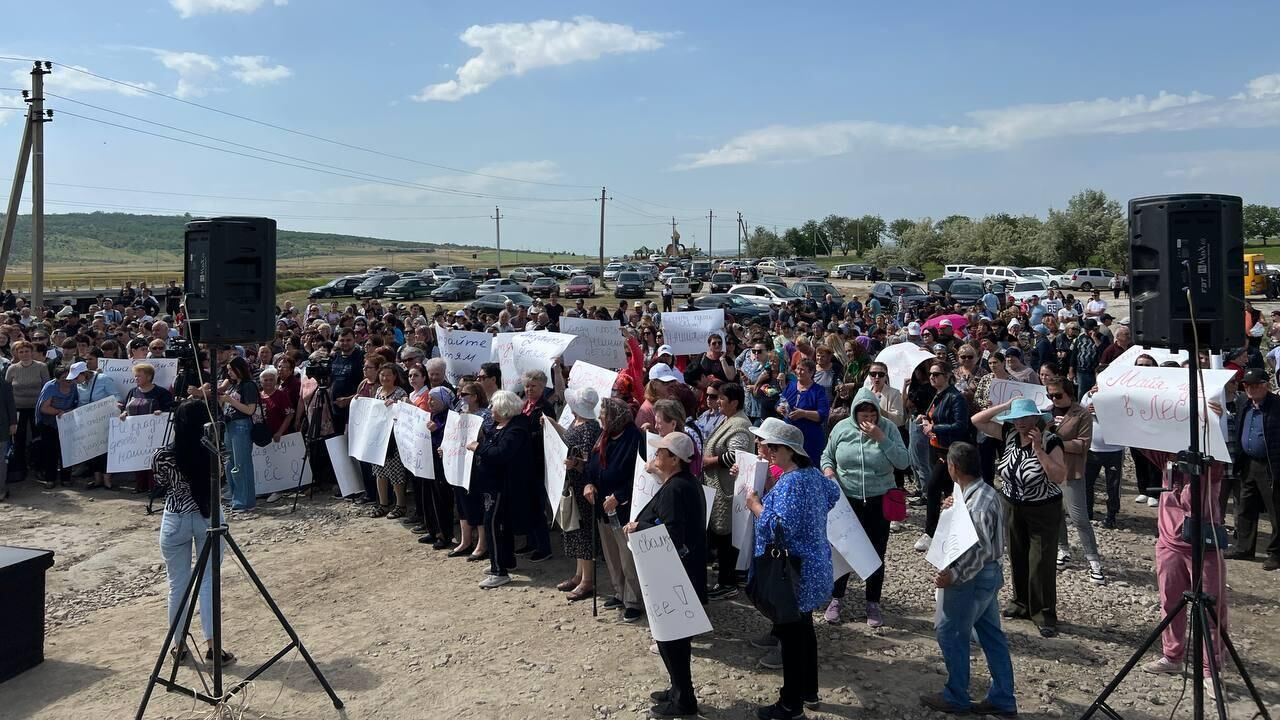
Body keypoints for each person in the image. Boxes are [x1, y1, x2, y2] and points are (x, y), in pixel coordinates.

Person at [743, 418, 841, 720]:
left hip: (792, 572)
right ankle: (808, 691)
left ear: (784, 450)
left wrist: (756, 505)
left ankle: (790, 703)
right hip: (813, 565)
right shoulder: (809, 475)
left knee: (791, 638)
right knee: (804, 631)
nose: (764, 450)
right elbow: (833, 495)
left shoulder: (792, 482)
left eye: (769, 446)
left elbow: (777, 526)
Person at [919, 442, 1017, 716]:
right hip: (989, 575)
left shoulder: (977, 505)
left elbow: (979, 550)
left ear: (954, 467)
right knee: (990, 634)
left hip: (972, 577)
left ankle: (956, 695)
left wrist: (954, 575)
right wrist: (953, 502)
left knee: (950, 632)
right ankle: (1003, 697)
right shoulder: (983, 492)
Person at [625, 432, 708, 718]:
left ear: (674, 459)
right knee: (671, 639)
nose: (655, 457)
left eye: (660, 453)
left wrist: (640, 529)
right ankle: (677, 689)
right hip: (677, 572)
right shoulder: (683, 483)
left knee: (672, 640)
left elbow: (673, 534)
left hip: (674, 574)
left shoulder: (676, 488)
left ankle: (684, 698)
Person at [972, 398, 1067, 638]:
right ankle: (1022, 603)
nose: (1021, 422)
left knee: (1041, 560)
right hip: (1013, 504)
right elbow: (977, 420)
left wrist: (1038, 451)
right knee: (1017, 553)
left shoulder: (1051, 440)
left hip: (1043, 508)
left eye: (1025, 417)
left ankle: (1044, 613)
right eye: (1017, 417)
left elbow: (1058, 476)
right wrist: (1006, 406)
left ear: (1036, 418)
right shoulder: (1010, 434)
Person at [153, 394, 235, 666]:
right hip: (207, 515)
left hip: (176, 516)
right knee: (209, 582)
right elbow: (221, 478)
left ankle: (179, 646)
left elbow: (160, 482)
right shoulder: (214, 452)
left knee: (177, 585)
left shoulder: (163, 454)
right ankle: (213, 645)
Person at [821, 388, 909, 627]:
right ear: (854, 412)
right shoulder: (841, 429)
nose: (868, 416)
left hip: (879, 498)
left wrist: (881, 437)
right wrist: (828, 471)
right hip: (847, 500)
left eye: (872, 411)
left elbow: (903, 461)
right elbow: (826, 456)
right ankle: (836, 599)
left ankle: (873, 603)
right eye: (863, 412)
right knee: (842, 549)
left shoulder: (888, 428)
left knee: (876, 552)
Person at [584, 397, 645, 621]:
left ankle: (633, 601)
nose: (600, 417)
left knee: (627, 556)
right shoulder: (605, 437)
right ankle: (619, 592)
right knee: (611, 554)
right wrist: (589, 484)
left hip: (624, 509)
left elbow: (639, 476)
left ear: (616, 417)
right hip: (602, 508)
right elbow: (592, 466)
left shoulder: (635, 439)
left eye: (604, 414)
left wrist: (619, 496)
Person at [1044, 378, 1104, 583]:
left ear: (1069, 393)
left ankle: (1094, 560)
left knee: (1079, 518)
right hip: (1049, 470)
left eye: (1058, 395)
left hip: (1071, 471)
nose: (1054, 399)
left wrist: (1057, 441)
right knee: (1055, 514)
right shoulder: (1046, 412)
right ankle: (1063, 550)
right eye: (1050, 395)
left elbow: (1082, 445)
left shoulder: (1082, 414)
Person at [470, 389, 530, 589]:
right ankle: (506, 561)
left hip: (502, 486)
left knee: (493, 525)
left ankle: (498, 571)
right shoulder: (498, 425)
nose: (490, 410)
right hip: (490, 484)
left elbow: (501, 453)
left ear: (504, 409)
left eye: (493, 407)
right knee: (500, 526)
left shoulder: (516, 430)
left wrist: (479, 448)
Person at [548, 387, 602, 602]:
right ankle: (580, 574)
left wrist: (576, 464)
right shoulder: (580, 422)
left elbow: (589, 460)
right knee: (574, 529)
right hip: (572, 482)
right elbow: (568, 439)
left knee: (582, 531)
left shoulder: (590, 428)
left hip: (582, 484)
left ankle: (587, 580)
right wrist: (552, 425)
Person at [701, 382, 753, 600]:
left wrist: (709, 461)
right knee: (721, 535)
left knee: (726, 536)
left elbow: (735, 454)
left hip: (727, 489)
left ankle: (728, 582)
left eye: (722, 399)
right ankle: (727, 576)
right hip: (720, 487)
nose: (718, 402)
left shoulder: (740, 424)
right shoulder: (730, 419)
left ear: (735, 402)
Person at [916, 361, 971, 553]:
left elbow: (961, 426)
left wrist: (934, 427)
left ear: (947, 376)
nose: (932, 377)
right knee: (949, 492)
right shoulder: (938, 395)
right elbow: (936, 417)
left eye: (937, 374)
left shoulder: (956, 398)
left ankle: (930, 533)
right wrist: (925, 418)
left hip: (950, 452)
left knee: (933, 488)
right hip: (937, 449)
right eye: (931, 374)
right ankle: (954, 531)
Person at [1230, 367, 1280, 570]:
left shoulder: (1276, 406)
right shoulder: (1243, 402)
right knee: (1245, 507)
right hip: (1248, 462)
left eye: (1255, 385)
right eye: (1247, 385)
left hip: (1271, 465)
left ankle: (1276, 554)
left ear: (1265, 385)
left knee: (1275, 510)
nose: (1250, 389)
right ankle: (1244, 547)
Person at [217, 356, 259, 512]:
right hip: (229, 424)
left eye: (231, 370)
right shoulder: (234, 386)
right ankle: (236, 497)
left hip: (241, 425)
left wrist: (231, 401)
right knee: (230, 463)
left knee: (241, 464)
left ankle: (245, 501)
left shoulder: (248, 386)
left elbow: (250, 410)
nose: (229, 373)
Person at [5, 340, 49, 484]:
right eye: (21, 352)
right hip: (18, 409)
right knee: (19, 439)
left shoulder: (42, 367)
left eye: (27, 351)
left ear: (31, 352)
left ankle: (39, 467)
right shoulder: (12, 369)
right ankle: (20, 469)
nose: (24, 354)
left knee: (38, 438)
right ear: (17, 353)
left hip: (37, 408)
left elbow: (46, 387)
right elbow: (6, 390)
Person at [34, 365, 79, 487]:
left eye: (69, 377)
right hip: (49, 424)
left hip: (67, 423)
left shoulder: (75, 386)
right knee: (50, 452)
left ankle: (66, 479)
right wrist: (59, 412)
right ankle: (50, 479)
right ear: (57, 379)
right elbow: (44, 408)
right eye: (64, 378)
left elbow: (77, 402)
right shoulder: (50, 387)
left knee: (67, 451)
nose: (67, 380)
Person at [779, 357, 830, 461]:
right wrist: (780, 408)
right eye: (797, 369)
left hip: (809, 438)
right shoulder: (791, 386)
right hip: (789, 435)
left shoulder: (818, 391)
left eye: (802, 370)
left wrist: (804, 414)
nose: (799, 372)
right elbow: (780, 401)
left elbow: (823, 414)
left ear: (811, 373)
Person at [0, 372, 13, 501]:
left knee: (1, 461)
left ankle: (1, 490)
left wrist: (13, 423)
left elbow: (10, 404)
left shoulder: (4, 384)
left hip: (2, 429)